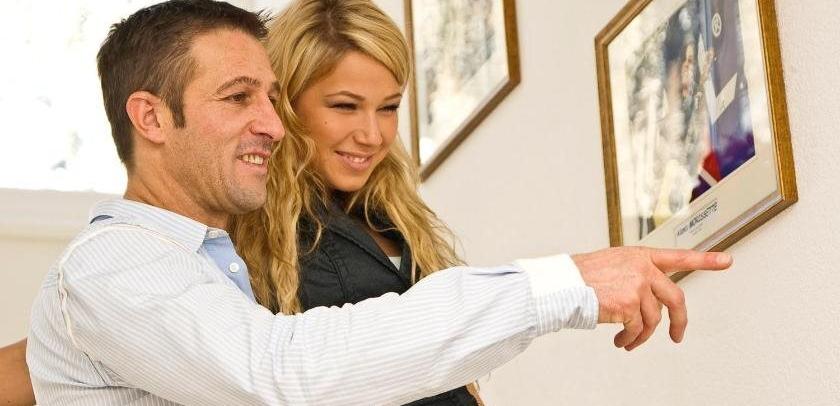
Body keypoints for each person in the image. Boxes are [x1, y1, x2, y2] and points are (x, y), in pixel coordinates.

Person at [21, 1, 731, 405]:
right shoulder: (115, 262)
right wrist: (563, 284)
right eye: (239, 97)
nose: (272, 123)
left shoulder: (205, 263)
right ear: (150, 117)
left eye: (270, 98)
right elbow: (283, 371)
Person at [231, 0, 477, 403]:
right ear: (285, 103)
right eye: (346, 106)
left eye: (389, 107)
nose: (373, 136)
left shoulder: (391, 212)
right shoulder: (260, 236)